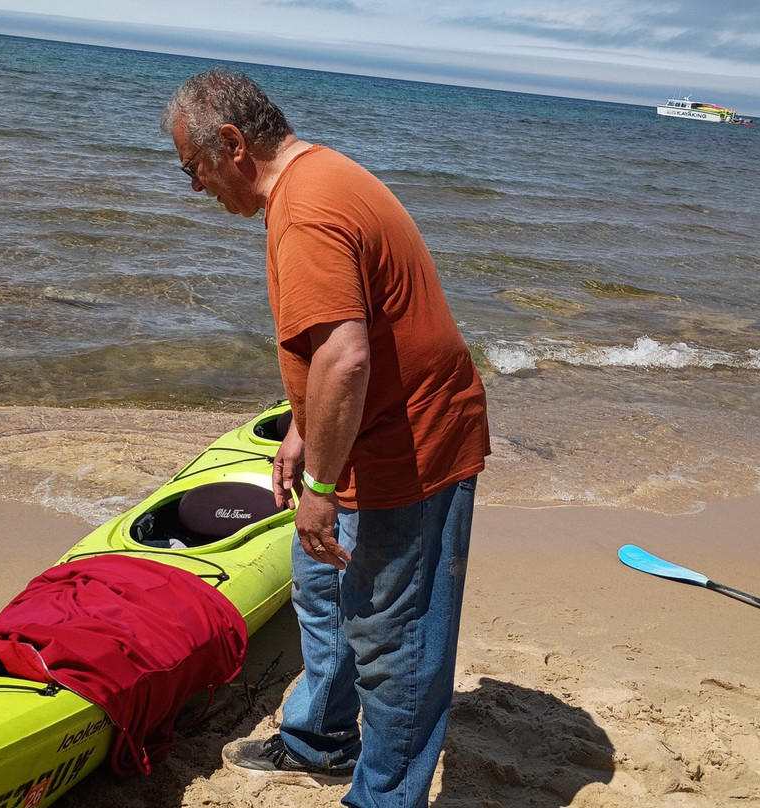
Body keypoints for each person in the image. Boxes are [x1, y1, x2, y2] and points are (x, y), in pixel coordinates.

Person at [161, 68, 490, 808]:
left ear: (233, 144)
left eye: (193, 168)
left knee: (393, 640)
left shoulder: (305, 209)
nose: (195, 188)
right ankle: (322, 739)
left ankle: (381, 798)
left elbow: (346, 356)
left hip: (414, 447)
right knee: (319, 585)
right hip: (364, 432)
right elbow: (343, 343)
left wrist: (316, 489)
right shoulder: (316, 178)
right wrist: (303, 433)